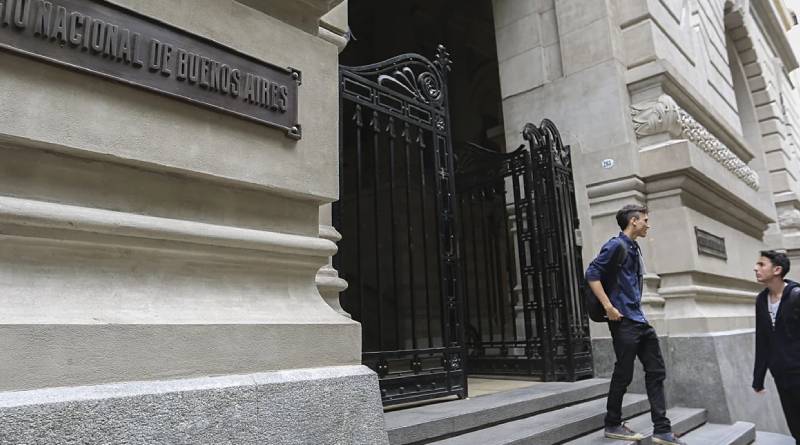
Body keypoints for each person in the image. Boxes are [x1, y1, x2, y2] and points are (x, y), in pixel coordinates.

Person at [585, 204, 685, 445]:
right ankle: (612, 423)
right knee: (624, 373)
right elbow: (591, 273)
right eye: (645, 220)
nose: (647, 225)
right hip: (624, 321)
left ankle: (662, 429)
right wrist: (608, 307)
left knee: (656, 371)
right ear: (633, 221)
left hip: (639, 319)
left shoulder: (633, 246)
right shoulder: (616, 245)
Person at [753, 250, 800, 443]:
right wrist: (758, 378)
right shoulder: (761, 300)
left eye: (761, 264)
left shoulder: (796, 296)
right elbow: (762, 340)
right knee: (794, 421)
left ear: (777, 270)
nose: (756, 268)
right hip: (781, 373)